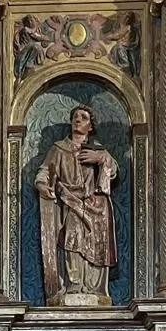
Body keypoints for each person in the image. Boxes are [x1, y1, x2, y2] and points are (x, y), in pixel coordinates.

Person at [34, 105, 119, 303]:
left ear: (91, 126)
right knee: (72, 238)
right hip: (71, 202)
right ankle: (74, 284)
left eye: (83, 117)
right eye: (75, 117)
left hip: (96, 204)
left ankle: (94, 288)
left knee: (97, 243)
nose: (77, 120)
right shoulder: (59, 149)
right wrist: (41, 184)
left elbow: (113, 170)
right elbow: (45, 170)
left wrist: (101, 159)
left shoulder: (98, 150)